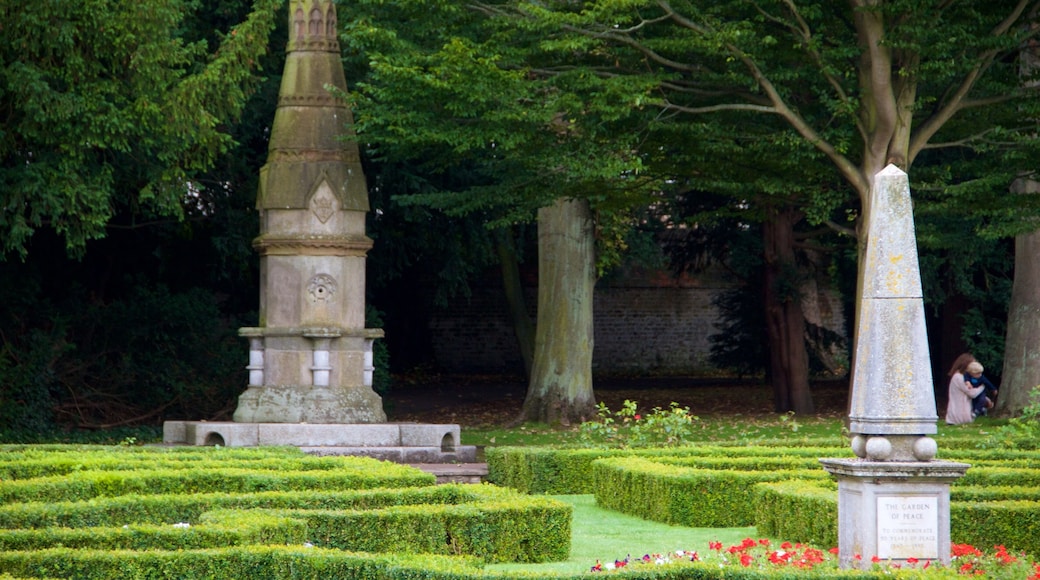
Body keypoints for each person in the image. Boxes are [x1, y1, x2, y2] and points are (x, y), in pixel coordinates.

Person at [945, 353, 985, 425]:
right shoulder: (958, 377)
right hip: (958, 416)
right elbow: (972, 393)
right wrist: (982, 386)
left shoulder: (962, 377)